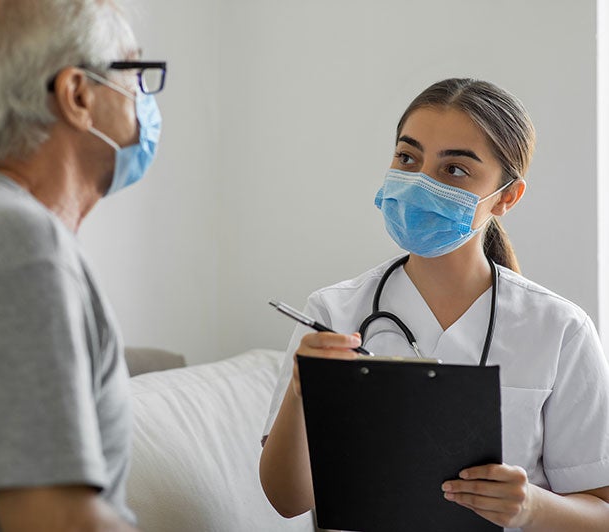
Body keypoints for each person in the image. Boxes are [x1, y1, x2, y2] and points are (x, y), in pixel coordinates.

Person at [259, 78, 609, 531]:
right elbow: (286, 501)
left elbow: (601, 513)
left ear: (506, 197)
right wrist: (302, 391)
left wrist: (531, 508)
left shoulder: (560, 329)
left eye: (455, 170)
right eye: (407, 158)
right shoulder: (333, 313)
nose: (419, 182)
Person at [0, 1, 165, 530]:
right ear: (77, 95)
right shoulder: (17, 246)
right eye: (134, 72)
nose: (144, 96)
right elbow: (55, 519)